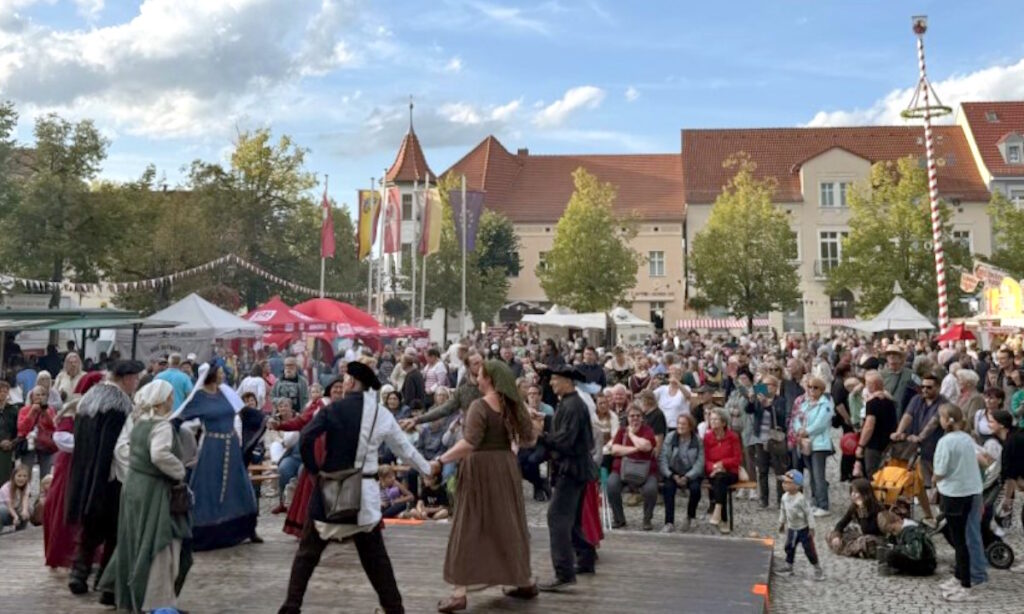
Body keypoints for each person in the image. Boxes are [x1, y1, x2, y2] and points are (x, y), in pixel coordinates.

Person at [278, 362, 436, 614]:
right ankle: (394, 609)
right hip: (365, 497)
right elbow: (404, 450)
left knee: (307, 555)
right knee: (376, 560)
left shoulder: (332, 409)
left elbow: (307, 437)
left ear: (351, 383)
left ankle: (290, 607)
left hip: (331, 489)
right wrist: (428, 469)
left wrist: (315, 470)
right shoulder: (381, 414)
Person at [433, 360, 536, 612]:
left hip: (480, 469)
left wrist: (440, 460)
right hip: (506, 468)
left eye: (479, 375)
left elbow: (469, 443)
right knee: (508, 524)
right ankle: (523, 580)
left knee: (468, 525)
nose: (476, 379)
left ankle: (459, 593)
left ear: (489, 378)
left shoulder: (479, 406)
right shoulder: (513, 405)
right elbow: (530, 439)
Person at [97, 380, 192, 613]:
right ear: (162, 400)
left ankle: (129, 593)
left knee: (134, 538)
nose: (172, 400)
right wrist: (179, 470)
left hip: (134, 487)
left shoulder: (140, 422)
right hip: (153, 489)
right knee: (157, 540)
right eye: (170, 397)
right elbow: (159, 455)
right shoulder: (161, 425)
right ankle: (155, 600)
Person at [66, 360, 144, 600]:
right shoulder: (119, 406)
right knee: (114, 530)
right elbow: (116, 447)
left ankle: (79, 574)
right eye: (135, 378)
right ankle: (106, 580)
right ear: (126, 378)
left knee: (90, 528)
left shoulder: (89, 399)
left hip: (85, 473)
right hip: (108, 477)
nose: (137, 383)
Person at [172, 362, 260, 550]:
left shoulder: (226, 391)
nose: (223, 374)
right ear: (211, 375)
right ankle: (202, 533)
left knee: (239, 486)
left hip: (232, 445)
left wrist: (266, 419)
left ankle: (246, 529)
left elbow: (244, 412)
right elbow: (179, 419)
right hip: (213, 447)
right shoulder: (199, 397)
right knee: (209, 487)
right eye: (220, 372)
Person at [536, 364, 597, 592]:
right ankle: (586, 559)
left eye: (555, 379)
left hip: (571, 470)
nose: (551, 383)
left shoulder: (573, 405)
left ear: (567, 382)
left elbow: (565, 441)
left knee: (557, 518)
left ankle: (564, 573)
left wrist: (541, 436)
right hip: (576, 468)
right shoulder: (570, 403)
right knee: (571, 519)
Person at [44, 373, 103, 569]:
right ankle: (66, 553)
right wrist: (88, 444)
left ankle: (90, 554)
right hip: (70, 466)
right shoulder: (74, 410)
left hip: (91, 465)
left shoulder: (102, 411)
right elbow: (60, 437)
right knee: (65, 506)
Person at [933, 403, 986, 602]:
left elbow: (941, 469)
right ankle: (959, 577)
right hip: (971, 491)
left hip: (954, 493)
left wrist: (934, 480)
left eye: (941, 417)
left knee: (959, 540)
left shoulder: (946, 441)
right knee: (963, 537)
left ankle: (965, 584)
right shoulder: (966, 438)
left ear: (947, 421)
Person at [891, 372, 944, 523]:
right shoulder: (917, 399)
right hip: (919, 449)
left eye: (929, 387)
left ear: (938, 387)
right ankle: (929, 515)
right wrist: (899, 432)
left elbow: (933, 423)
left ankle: (943, 512)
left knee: (940, 482)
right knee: (918, 484)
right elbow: (908, 416)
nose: (925, 390)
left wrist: (920, 436)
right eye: (923, 386)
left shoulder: (943, 403)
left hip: (936, 448)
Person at [606, 405, 658, 530]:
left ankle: (647, 519)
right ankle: (619, 519)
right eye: (632, 416)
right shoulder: (621, 431)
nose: (635, 418)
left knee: (651, 489)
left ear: (642, 418)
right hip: (621, 470)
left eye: (638, 416)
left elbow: (646, 446)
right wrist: (635, 448)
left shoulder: (648, 431)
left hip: (645, 471)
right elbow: (614, 450)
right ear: (627, 418)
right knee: (611, 485)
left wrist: (631, 435)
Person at [745, 374, 789, 508]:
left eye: (768, 385)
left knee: (778, 470)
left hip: (774, 439)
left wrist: (769, 406)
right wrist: (752, 400)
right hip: (760, 438)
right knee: (762, 470)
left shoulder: (780, 400)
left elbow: (782, 417)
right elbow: (748, 410)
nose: (765, 388)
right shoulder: (759, 399)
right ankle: (764, 499)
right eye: (763, 385)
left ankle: (780, 499)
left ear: (775, 387)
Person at [791, 376, 834, 516]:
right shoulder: (805, 404)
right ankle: (815, 501)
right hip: (806, 443)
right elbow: (797, 418)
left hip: (819, 444)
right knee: (812, 475)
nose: (811, 390)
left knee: (818, 475)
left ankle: (823, 504)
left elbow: (821, 423)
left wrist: (806, 431)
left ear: (822, 390)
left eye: (815, 387)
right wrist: (799, 429)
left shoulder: (826, 404)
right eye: (809, 387)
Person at [659, 413, 704, 532]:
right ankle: (669, 522)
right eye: (678, 423)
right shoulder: (670, 437)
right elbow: (663, 459)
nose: (680, 426)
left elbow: (700, 462)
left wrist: (688, 477)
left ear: (690, 426)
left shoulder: (697, 440)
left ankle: (690, 516)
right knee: (668, 488)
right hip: (673, 472)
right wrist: (671, 475)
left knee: (695, 489)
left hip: (690, 472)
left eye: (683, 424)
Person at [776, 470, 824, 580]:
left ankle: (817, 568)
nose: (784, 484)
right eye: (784, 482)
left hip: (803, 529)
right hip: (792, 528)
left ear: (797, 486)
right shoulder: (784, 497)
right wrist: (781, 522)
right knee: (789, 547)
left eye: (788, 482)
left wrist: (811, 527)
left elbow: (809, 513)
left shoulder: (801, 499)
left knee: (809, 549)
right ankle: (789, 566)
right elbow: (783, 510)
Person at [704, 407, 742, 533]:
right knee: (719, 480)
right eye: (711, 419)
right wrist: (714, 467)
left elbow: (737, 459)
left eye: (716, 419)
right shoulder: (707, 437)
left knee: (720, 479)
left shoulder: (733, 437)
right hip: (713, 472)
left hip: (730, 472)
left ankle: (718, 511)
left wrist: (722, 464)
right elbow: (705, 459)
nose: (712, 422)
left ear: (724, 423)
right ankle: (722, 518)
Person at [854, 370, 898, 480]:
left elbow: (869, 426)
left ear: (872, 385)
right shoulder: (890, 400)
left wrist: (861, 445)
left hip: (874, 444)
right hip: (888, 443)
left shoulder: (872, 402)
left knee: (873, 476)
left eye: (867, 384)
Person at [828, 478, 884, 559]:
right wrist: (836, 536)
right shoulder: (854, 507)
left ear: (865, 493)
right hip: (861, 536)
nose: (853, 495)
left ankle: (845, 549)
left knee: (865, 541)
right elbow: (842, 523)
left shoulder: (877, 507)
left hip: (874, 538)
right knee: (832, 532)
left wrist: (862, 509)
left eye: (856, 492)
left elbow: (868, 530)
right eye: (852, 492)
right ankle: (854, 551)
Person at [16, 385, 58, 479]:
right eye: (37, 395)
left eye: (43, 395)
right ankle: (26, 492)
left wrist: (45, 413)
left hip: (45, 444)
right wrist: (32, 412)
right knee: (26, 472)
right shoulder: (24, 410)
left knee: (46, 474)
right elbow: (22, 428)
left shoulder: (50, 410)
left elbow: (53, 426)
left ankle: (44, 492)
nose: (40, 397)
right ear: (32, 397)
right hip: (28, 444)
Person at [0, 380, 20, 487]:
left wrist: (12, 443)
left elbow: (17, 429)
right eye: (0, 391)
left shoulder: (13, 410)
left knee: (5, 477)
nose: (2, 394)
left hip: (7, 447)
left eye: (5, 391)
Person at [0, 464, 31, 531]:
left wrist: (24, 511)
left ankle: (21, 530)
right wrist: (15, 516)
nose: (22, 478)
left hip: (15, 507)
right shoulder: (6, 488)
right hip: (6, 509)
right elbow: (9, 505)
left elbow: (25, 500)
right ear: (13, 476)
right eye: (19, 476)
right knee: (2, 510)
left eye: (24, 476)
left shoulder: (27, 486)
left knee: (29, 508)